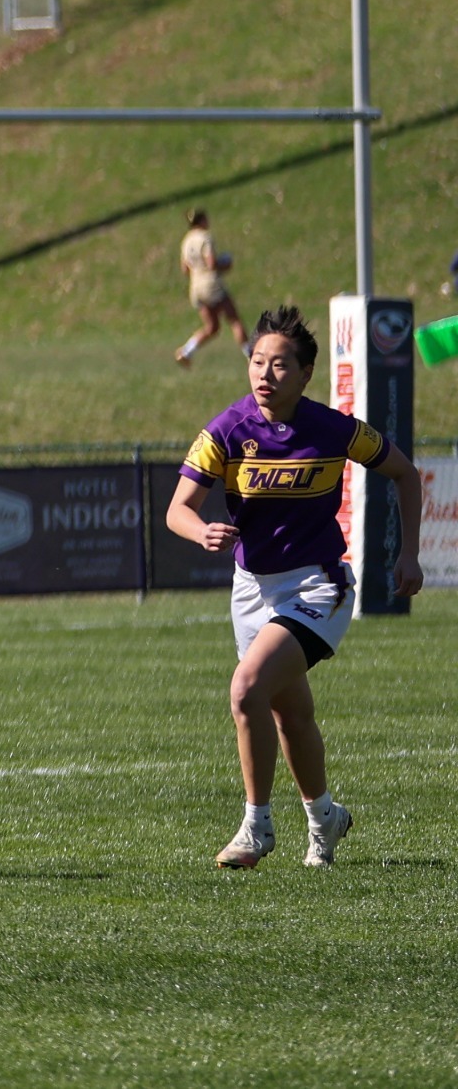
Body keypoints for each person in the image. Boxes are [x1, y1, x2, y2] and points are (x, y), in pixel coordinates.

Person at [166, 305, 422, 871]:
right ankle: (325, 818)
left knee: (245, 689)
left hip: (318, 585)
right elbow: (177, 509)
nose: (265, 373)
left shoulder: (335, 428)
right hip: (251, 589)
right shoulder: (226, 430)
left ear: (306, 374)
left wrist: (408, 554)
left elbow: (404, 473)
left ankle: (255, 827)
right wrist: (200, 529)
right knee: (290, 715)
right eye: (257, 360)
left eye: (280, 364)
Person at [175, 208, 247, 367]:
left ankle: (186, 351)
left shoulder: (186, 241)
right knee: (234, 320)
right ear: (202, 220)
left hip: (195, 288)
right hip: (211, 285)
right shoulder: (205, 237)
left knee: (212, 327)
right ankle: (251, 356)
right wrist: (225, 263)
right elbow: (211, 263)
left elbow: (185, 269)